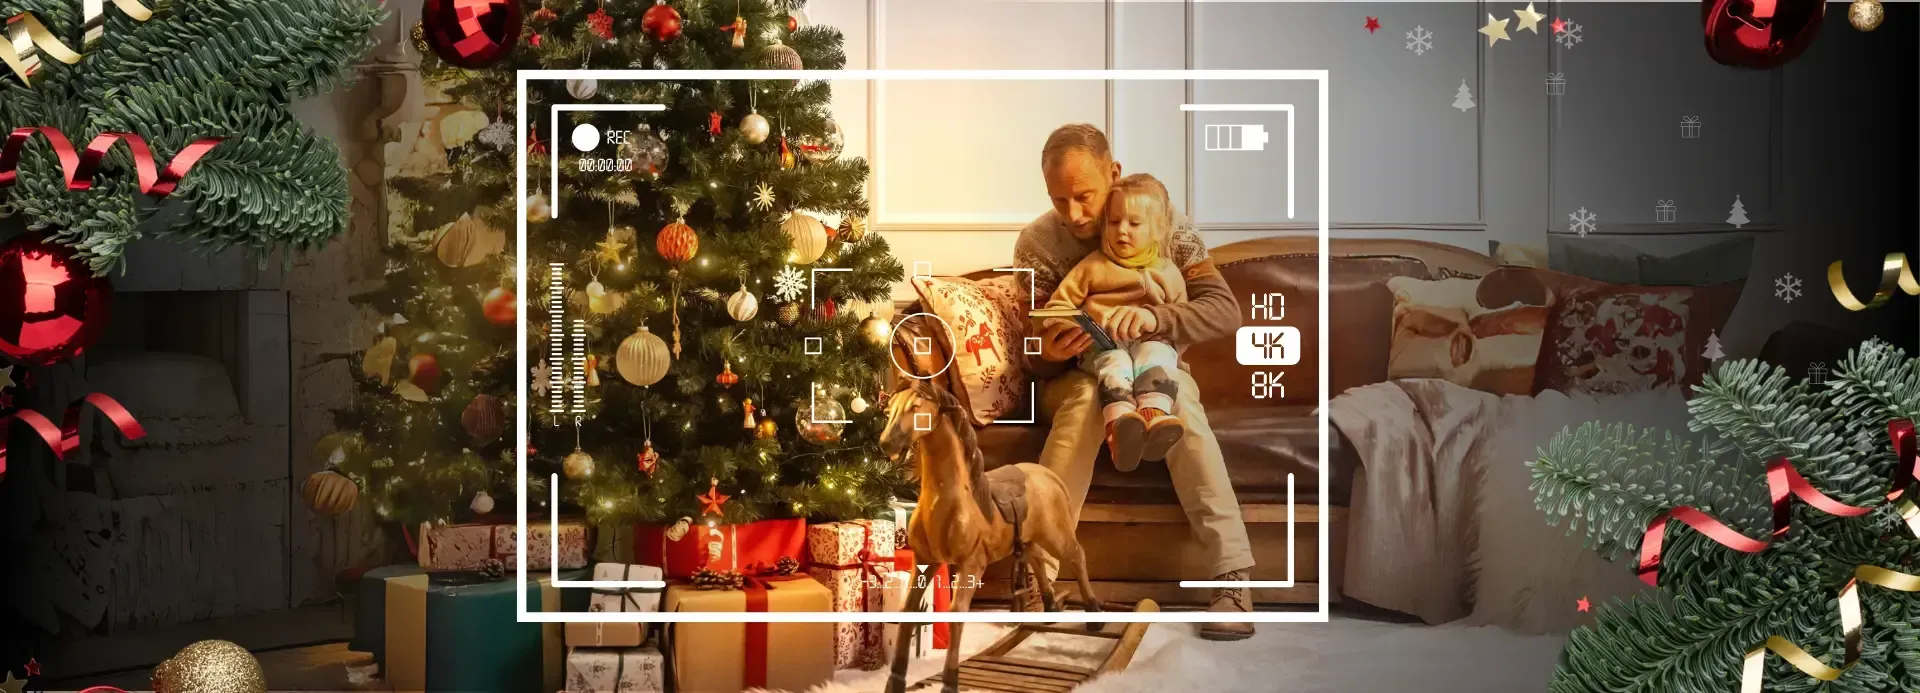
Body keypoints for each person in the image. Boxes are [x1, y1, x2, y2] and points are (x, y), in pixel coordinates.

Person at [1014, 124, 1254, 639]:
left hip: (1154, 365)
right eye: (1060, 201)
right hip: (1078, 375)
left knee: (1179, 401)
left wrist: (1156, 320)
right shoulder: (1036, 244)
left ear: (1113, 173)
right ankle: (1040, 581)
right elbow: (1030, 348)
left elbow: (1223, 309)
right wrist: (1048, 353)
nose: (1074, 215)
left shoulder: (1161, 220)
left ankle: (1231, 579)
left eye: (1084, 196)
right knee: (1084, 399)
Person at [1041, 173, 1189, 472]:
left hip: (1150, 343)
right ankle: (1120, 427)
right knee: (1117, 361)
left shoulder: (1167, 271)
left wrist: (1165, 338)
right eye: (1113, 222)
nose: (1122, 231)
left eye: (1134, 224)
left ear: (1157, 230)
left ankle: (1154, 418)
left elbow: (1182, 318)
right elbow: (1056, 307)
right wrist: (1070, 326)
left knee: (1156, 354)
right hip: (1104, 345)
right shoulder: (1092, 267)